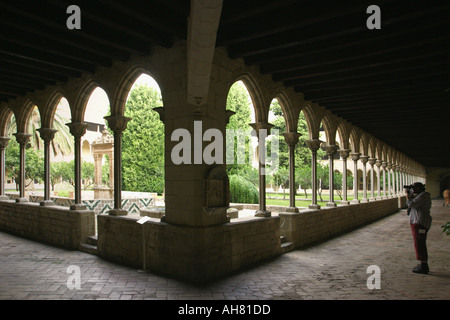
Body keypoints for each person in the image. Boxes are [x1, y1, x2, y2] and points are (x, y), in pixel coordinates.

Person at [405, 182, 432, 274]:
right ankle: (422, 263)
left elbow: (411, 204)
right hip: (417, 221)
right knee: (419, 242)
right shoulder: (421, 195)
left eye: (414, 187)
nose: (413, 189)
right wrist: (411, 194)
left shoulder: (424, 195)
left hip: (420, 222)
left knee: (420, 243)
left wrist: (407, 196)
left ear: (419, 188)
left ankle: (424, 266)